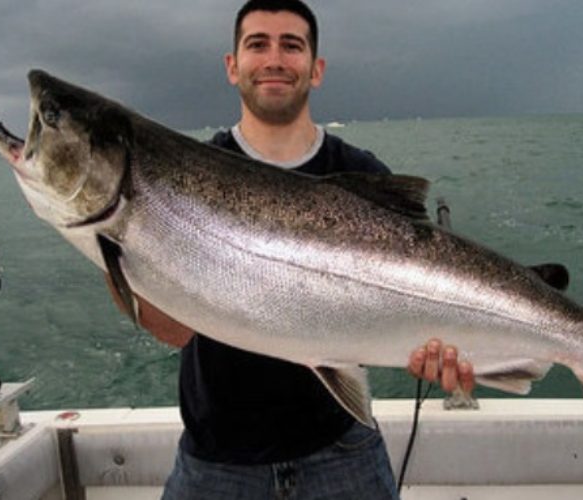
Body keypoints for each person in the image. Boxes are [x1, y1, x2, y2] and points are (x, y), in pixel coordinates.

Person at [108, 1, 474, 498]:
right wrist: (116, 244)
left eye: (292, 45)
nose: (274, 58)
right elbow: (173, 331)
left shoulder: (363, 174)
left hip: (342, 449)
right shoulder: (185, 176)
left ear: (316, 69)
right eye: (257, 44)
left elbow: (419, 291)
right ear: (232, 65)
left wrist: (439, 349)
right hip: (218, 460)